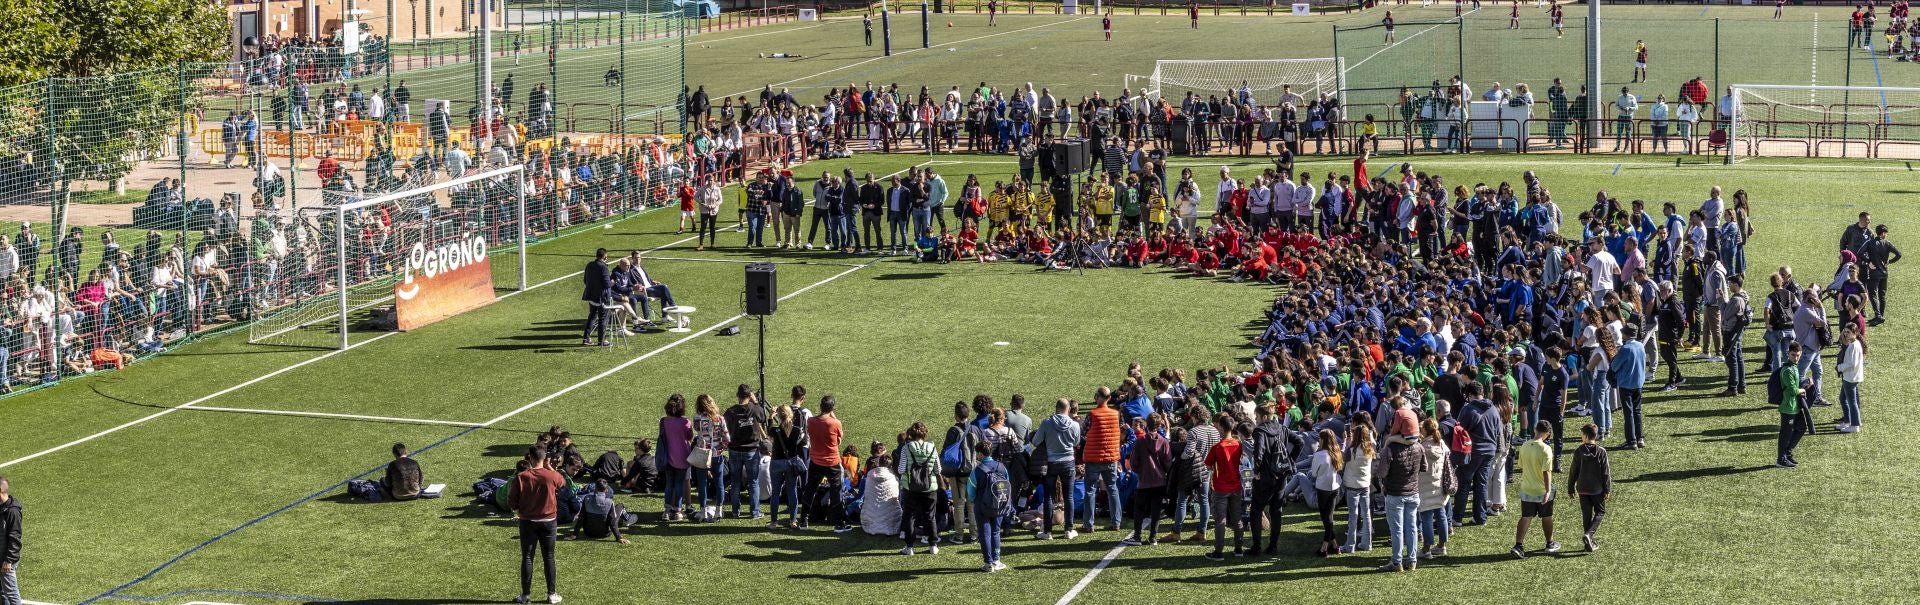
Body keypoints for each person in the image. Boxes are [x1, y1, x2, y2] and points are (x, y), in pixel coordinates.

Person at [509, 447, 565, 605]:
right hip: (549, 521)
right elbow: (563, 484)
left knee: (527, 557)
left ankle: (526, 596)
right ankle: (551, 594)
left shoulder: (522, 477)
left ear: (530, 458)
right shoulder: (553, 475)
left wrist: (519, 510)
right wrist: (549, 467)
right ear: (544, 458)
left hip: (528, 522)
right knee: (549, 556)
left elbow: (512, 501)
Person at [1032, 398, 1083, 540]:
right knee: (1069, 496)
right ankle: (1069, 529)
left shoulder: (1047, 423)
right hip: (1068, 463)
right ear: (1069, 409)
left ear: (1056, 408)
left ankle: (1047, 531)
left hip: (1051, 463)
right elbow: (1077, 442)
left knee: (1049, 496)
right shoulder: (1074, 425)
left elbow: (1035, 441)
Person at [1379, 426, 1426, 572]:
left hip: (1395, 493)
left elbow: (1382, 472)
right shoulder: (1419, 446)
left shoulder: (1390, 448)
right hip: (1413, 492)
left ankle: (1396, 562)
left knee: (1397, 530)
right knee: (1411, 528)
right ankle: (1412, 560)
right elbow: (1424, 467)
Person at [1511, 420, 1560, 558]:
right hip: (1541, 490)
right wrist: (1548, 490)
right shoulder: (1546, 449)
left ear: (1534, 429)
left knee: (1526, 517)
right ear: (1548, 434)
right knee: (1547, 516)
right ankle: (1549, 543)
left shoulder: (1525, 445)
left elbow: (1521, 465)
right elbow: (1547, 472)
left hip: (1526, 489)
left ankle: (1518, 545)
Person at [1122, 415, 1171, 547]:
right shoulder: (1164, 441)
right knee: (1156, 510)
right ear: (1159, 425)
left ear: (1146, 425)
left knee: (1139, 509)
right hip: (1159, 481)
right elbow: (1167, 462)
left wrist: (1140, 471)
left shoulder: (1140, 441)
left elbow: (1133, 461)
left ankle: (1137, 536)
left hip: (1144, 480)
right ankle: (1153, 536)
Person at [1081, 387, 1124, 533]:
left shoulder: (1092, 414)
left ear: (1098, 397)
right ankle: (1116, 521)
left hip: (1094, 458)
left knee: (1090, 491)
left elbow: (1084, 432)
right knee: (1112, 488)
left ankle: (1088, 524)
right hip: (1111, 457)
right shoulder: (1116, 414)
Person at [804, 395, 849, 532]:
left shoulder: (811, 421)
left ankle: (803, 520)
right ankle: (839, 523)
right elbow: (838, 441)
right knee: (836, 492)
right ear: (832, 408)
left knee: (810, 490)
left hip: (816, 461)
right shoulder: (835, 423)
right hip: (832, 462)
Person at [896, 422, 942, 555]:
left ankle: (909, 547)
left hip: (910, 487)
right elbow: (938, 469)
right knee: (930, 516)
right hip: (930, 487)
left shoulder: (906, 448)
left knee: (910, 516)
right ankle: (933, 544)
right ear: (925, 434)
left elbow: (901, 469)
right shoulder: (932, 447)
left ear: (911, 433)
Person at [1203, 418, 1245, 561]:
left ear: (1220, 428)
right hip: (1236, 486)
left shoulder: (1217, 447)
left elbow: (1208, 465)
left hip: (1220, 487)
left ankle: (1219, 551)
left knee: (1220, 519)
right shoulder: (1239, 445)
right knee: (1237, 518)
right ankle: (1239, 548)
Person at [723, 385, 768, 519]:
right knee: (753, 481)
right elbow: (763, 417)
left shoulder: (730, 411)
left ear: (737, 395)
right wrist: (755, 402)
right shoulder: (754, 409)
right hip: (751, 450)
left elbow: (725, 427)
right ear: (749, 396)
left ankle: (735, 511)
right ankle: (754, 512)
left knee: (735, 481)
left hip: (735, 449)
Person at [1565, 423, 1611, 552]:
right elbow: (1606, 472)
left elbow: (1573, 471)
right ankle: (1589, 535)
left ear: (1585, 436)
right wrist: (1607, 489)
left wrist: (1570, 488)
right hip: (1597, 489)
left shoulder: (1579, 451)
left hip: (1582, 489)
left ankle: (1588, 543)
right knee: (1600, 512)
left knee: (1586, 515)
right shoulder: (1601, 452)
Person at [969, 439, 1012, 572]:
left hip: (982, 506)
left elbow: (970, 492)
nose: (976, 456)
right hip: (999, 504)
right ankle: (996, 560)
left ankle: (988, 563)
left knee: (984, 533)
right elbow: (1007, 482)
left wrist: (975, 501)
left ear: (981, 454)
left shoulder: (976, 470)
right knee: (995, 532)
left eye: (977, 453)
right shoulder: (1001, 466)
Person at [1609, 325, 1648, 449]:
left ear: (1626, 334)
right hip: (1638, 383)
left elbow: (1614, 366)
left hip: (1626, 384)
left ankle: (1631, 441)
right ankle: (1640, 438)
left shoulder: (1625, 349)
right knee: (1637, 411)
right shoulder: (1641, 345)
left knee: (1628, 413)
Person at [568, 480, 632, 545]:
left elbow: (581, 518)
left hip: (588, 533)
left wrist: (574, 534)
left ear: (595, 488)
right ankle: (628, 519)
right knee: (620, 506)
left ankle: (626, 520)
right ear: (606, 490)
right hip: (605, 533)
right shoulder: (610, 502)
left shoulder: (587, 499)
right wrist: (619, 537)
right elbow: (613, 522)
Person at [1775, 343, 1808, 468]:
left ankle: (1787, 453)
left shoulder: (1794, 367)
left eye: (1798, 355)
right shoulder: (1788, 370)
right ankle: (1781, 459)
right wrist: (1803, 390)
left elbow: (1797, 384)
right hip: (1788, 407)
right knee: (1785, 434)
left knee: (1801, 428)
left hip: (1795, 406)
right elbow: (1793, 390)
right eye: (1793, 355)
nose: (1795, 358)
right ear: (1788, 354)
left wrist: (1805, 383)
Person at [1834, 325, 1865, 433]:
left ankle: (1855, 425)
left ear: (1855, 333)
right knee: (1843, 399)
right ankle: (1848, 421)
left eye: (1848, 332)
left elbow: (1852, 363)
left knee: (1852, 402)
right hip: (1850, 377)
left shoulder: (1854, 346)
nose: (1846, 334)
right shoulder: (1853, 344)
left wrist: (1839, 367)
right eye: (1845, 331)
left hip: (1850, 378)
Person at [579, 248, 610, 347]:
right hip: (601, 297)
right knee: (602, 318)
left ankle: (586, 338)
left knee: (592, 316)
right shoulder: (603, 267)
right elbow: (607, 284)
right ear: (605, 256)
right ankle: (601, 341)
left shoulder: (589, 265)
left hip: (591, 296)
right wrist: (612, 282)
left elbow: (585, 280)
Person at [1, 476, 16, 605]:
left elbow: (15, 538)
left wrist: (8, 560)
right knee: (3, 592)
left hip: (6, 560)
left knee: (11, 594)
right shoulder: (2, 508)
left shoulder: (12, 511)